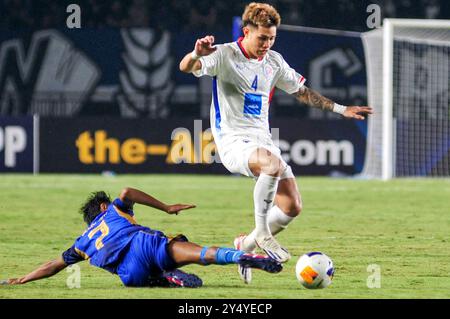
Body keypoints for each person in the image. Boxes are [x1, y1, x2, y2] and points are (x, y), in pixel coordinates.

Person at [179, 2, 372, 283]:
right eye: (262, 38)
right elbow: (186, 66)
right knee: (272, 165)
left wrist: (343, 110)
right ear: (246, 32)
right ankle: (264, 236)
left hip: (262, 140)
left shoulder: (274, 62)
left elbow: (302, 92)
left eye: (271, 38)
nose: (267, 43)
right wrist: (197, 53)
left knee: (292, 206)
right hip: (232, 141)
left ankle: (245, 245)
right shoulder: (224, 54)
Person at [1, 187, 281, 288]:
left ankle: (163, 279)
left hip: (129, 274)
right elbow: (127, 192)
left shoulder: (81, 243)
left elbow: (54, 265)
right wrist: (167, 207)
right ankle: (240, 256)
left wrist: (22, 279)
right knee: (202, 254)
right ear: (102, 207)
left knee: (138, 278)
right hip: (145, 246)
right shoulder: (113, 209)